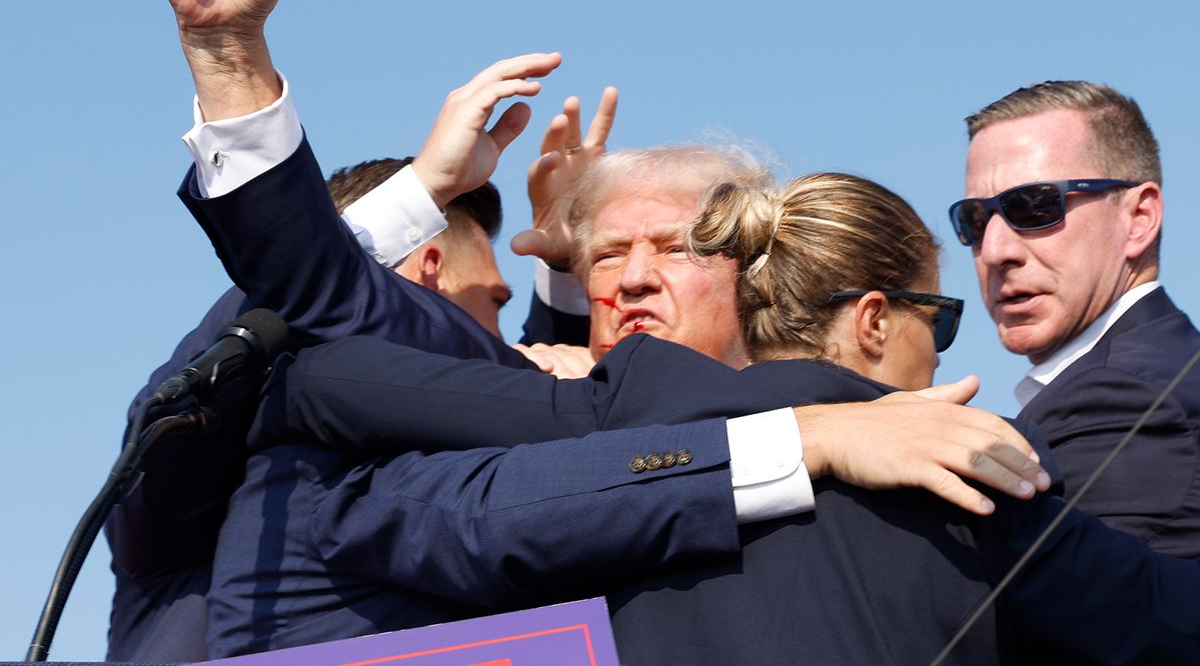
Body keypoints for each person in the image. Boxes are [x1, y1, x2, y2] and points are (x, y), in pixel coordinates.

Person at [215, 171, 1200, 664]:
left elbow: (327, 421)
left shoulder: (589, 431)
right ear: (870, 316)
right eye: (937, 318)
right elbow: (1165, 621)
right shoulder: (969, 458)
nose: (945, 354)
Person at [105, 156, 532, 662]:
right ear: (431, 274)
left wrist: (573, 283)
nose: (503, 339)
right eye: (497, 303)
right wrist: (411, 199)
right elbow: (540, 406)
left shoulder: (432, 491)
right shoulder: (208, 464)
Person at [953, 81, 1200, 556]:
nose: (995, 250)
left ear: (1140, 218)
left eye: (1034, 206)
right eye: (975, 220)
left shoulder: (1123, 397)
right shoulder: (1160, 369)